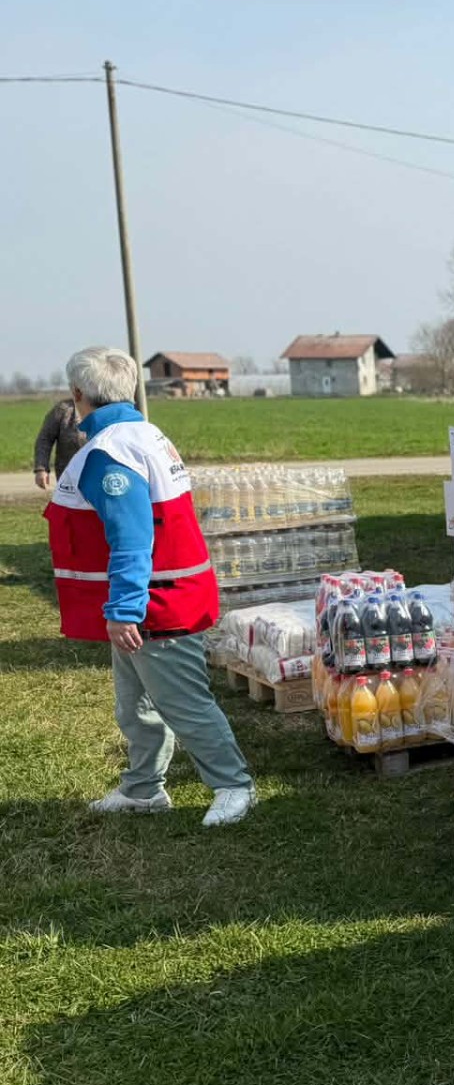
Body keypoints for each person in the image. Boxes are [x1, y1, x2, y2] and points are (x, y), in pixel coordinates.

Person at [44, 347, 255, 826]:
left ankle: (234, 785)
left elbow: (132, 538)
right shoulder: (142, 433)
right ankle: (143, 789)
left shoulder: (109, 454)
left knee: (183, 703)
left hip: (156, 601)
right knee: (135, 703)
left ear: (77, 393)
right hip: (155, 594)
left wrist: (124, 609)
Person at [32, 394, 83, 490]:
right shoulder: (63, 409)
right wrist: (41, 469)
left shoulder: (109, 407)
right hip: (68, 478)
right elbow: (45, 439)